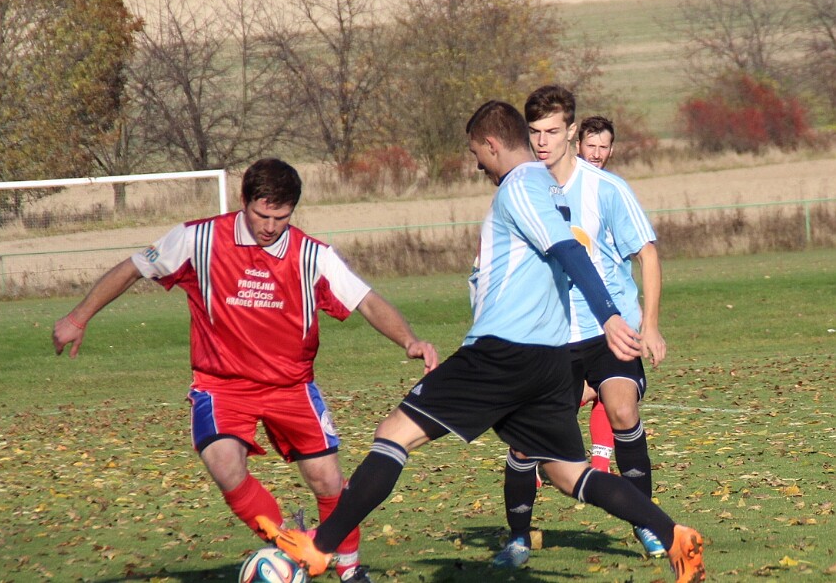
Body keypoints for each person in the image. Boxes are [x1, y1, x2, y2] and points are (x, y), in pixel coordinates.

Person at [255, 101, 705, 583]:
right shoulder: (546, 185)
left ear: (492, 144)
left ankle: (319, 549)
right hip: (548, 361)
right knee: (566, 473)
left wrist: (609, 315)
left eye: (476, 152)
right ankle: (676, 537)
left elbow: (569, 250)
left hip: (502, 354)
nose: (476, 163)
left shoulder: (521, 186)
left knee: (393, 435)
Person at [52, 158, 439, 583]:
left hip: (291, 386)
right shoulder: (197, 238)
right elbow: (132, 268)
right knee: (223, 463)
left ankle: (349, 571)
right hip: (222, 385)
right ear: (244, 201)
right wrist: (78, 316)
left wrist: (409, 340)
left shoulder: (312, 255)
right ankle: (288, 548)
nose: (271, 226)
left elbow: (366, 299)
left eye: (281, 217)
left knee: (328, 480)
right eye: (262, 215)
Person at [494, 85, 669, 569]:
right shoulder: (520, 189)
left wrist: (649, 325)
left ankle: (649, 524)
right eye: (534, 132)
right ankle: (517, 540)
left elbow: (647, 253)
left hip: (608, 328)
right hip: (548, 337)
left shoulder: (605, 189)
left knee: (621, 409)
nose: (543, 141)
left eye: (552, 131)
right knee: (527, 442)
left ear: (572, 130)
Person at [575, 114, 618, 474]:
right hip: (575, 306)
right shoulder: (564, 187)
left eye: (604, 146)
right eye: (592, 144)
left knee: (609, 387)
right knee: (579, 387)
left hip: (610, 305)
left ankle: (601, 465)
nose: (597, 152)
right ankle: (528, 452)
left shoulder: (611, 188)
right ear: (578, 145)